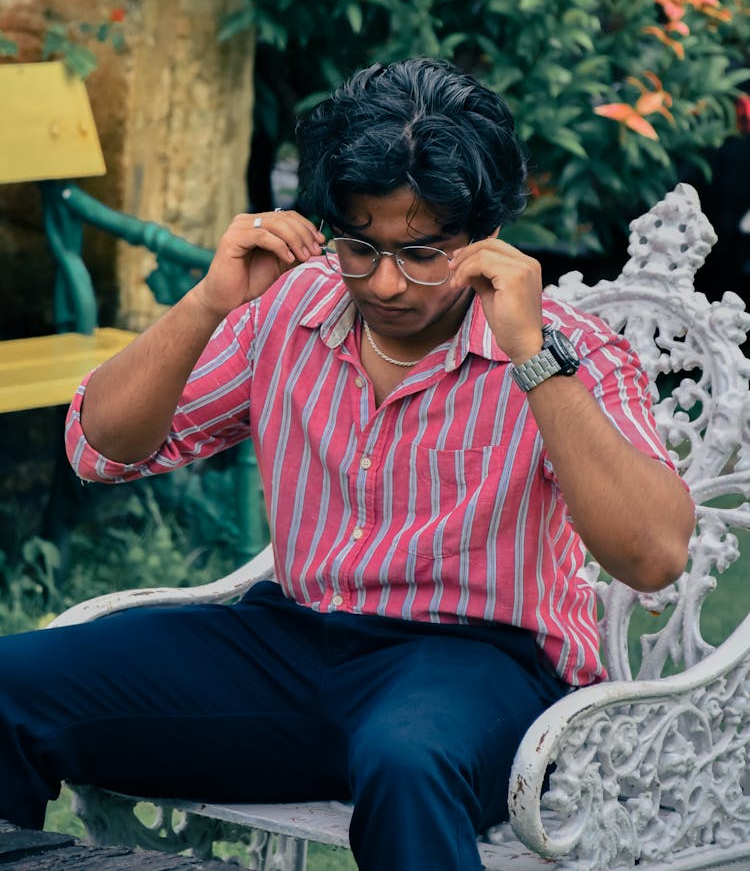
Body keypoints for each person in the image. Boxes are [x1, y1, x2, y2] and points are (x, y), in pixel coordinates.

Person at [0, 58, 694, 871]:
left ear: (484, 236)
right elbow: (100, 447)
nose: (388, 282)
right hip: (290, 643)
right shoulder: (290, 307)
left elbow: (653, 554)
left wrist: (532, 356)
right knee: (12, 684)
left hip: (478, 665)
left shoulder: (562, 349)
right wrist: (210, 302)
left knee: (408, 760)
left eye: (423, 250)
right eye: (362, 245)